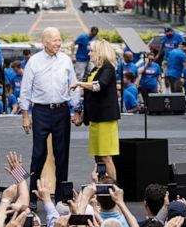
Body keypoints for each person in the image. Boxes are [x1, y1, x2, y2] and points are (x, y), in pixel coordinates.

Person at [19, 27, 80, 204]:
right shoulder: (34, 61)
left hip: (62, 111)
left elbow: (73, 86)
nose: (58, 43)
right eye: (55, 40)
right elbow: (25, 89)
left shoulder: (66, 60)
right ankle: (32, 197)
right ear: (45, 42)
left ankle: (61, 198)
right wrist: (25, 115)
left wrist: (77, 110)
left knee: (62, 155)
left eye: (59, 40)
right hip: (41, 112)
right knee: (38, 155)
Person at [70, 38, 120, 181]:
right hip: (96, 118)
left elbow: (99, 86)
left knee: (106, 156)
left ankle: (113, 189)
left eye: (91, 50)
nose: (89, 53)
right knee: (98, 156)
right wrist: (81, 112)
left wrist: (80, 83)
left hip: (105, 118)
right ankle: (102, 185)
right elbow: (89, 95)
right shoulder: (95, 68)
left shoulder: (108, 68)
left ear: (100, 52)